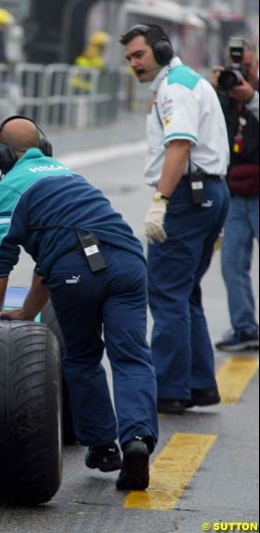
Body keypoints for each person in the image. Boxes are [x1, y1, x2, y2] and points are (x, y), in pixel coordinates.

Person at [0, 115, 158, 491]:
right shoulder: (68, 174)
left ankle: (103, 447)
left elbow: (0, 255)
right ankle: (137, 440)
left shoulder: (13, 185)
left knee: (82, 356)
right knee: (131, 356)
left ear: (3, 156)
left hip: (75, 269)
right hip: (127, 261)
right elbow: (49, 256)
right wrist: (28, 311)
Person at [120, 24, 230, 415]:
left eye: (139, 55)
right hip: (210, 193)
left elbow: (180, 145)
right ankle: (199, 384)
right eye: (130, 58)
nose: (134, 64)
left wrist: (160, 201)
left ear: (162, 50)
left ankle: (169, 389)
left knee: (166, 292)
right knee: (186, 292)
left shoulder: (175, 89)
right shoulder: (186, 81)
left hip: (187, 196)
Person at [211, 42, 260, 352]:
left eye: (248, 65)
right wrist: (216, 91)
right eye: (236, 66)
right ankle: (245, 328)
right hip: (235, 193)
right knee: (231, 264)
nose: (242, 72)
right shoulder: (226, 95)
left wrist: (252, 98)